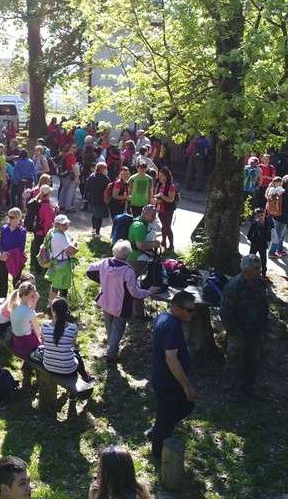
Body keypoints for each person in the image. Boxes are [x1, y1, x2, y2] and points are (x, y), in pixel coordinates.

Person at [87, 240, 160, 362]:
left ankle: (112, 348)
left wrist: (103, 281)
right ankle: (111, 354)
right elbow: (134, 293)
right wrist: (149, 292)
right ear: (128, 254)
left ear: (114, 251)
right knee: (118, 329)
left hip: (106, 301)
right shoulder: (128, 271)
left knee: (110, 327)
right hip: (121, 306)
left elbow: (89, 270)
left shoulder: (104, 263)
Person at [149, 291, 197, 460]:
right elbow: (171, 358)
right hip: (168, 382)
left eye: (193, 309)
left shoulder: (165, 317)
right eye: (189, 310)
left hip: (163, 378)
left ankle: (158, 429)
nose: (192, 313)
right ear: (176, 307)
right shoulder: (172, 327)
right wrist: (186, 386)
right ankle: (158, 455)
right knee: (167, 418)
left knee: (186, 405)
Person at [218, 255, 270, 394]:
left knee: (253, 359)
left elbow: (264, 306)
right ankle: (229, 388)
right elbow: (226, 313)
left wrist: (264, 327)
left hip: (255, 330)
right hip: (238, 330)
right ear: (246, 270)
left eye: (259, 267)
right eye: (256, 268)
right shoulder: (233, 287)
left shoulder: (261, 283)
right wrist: (235, 333)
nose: (259, 270)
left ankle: (248, 386)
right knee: (234, 361)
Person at [41, 298, 95, 382]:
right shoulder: (72, 328)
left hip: (48, 366)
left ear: (53, 311)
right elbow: (72, 346)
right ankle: (85, 377)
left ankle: (85, 377)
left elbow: (43, 343)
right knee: (76, 353)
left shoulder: (44, 325)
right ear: (66, 311)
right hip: (67, 369)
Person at [0, 208, 28, 299]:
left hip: (15, 259)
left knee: (16, 281)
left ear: (18, 218)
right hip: (3, 258)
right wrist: (2, 253)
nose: (10, 218)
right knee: (2, 280)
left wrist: (9, 254)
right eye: (9, 216)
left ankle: (16, 299)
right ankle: (2, 298)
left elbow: (21, 248)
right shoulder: (4, 228)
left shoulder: (22, 231)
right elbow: (0, 242)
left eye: (12, 217)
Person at [45, 214, 77, 300]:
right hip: (62, 265)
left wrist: (72, 245)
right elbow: (73, 251)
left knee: (58, 286)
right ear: (57, 224)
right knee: (59, 287)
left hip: (57, 263)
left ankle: (54, 304)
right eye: (63, 224)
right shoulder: (59, 236)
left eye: (67, 223)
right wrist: (74, 246)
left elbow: (72, 242)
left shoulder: (55, 232)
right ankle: (55, 305)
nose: (66, 226)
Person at [28, 185, 56, 273]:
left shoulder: (38, 203)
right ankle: (41, 268)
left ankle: (36, 267)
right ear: (47, 194)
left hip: (37, 231)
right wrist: (49, 233)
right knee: (43, 251)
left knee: (36, 249)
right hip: (43, 232)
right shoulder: (46, 207)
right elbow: (48, 222)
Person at [11, 281, 43, 358]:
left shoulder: (14, 306)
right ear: (24, 296)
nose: (34, 298)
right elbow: (38, 333)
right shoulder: (29, 311)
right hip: (26, 345)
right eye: (32, 296)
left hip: (17, 342)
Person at [153, 167, 178, 251]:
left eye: (161, 176)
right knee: (163, 226)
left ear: (166, 176)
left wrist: (161, 196)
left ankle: (171, 245)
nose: (159, 177)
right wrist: (155, 200)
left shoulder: (171, 186)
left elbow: (171, 199)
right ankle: (163, 242)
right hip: (160, 209)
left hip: (168, 210)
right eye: (159, 175)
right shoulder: (160, 185)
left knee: (167, 227)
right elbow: (158, 197)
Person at [85, 162, 111, 237]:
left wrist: (86, 197)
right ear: (102, 169)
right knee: (99, 216)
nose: (106, 170)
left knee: (94, 215)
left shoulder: (91, 176)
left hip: (92, 199)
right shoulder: (105, 178)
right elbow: (108, 189)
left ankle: (93, 229)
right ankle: (97, 232)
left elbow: (87, 187)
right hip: (101, 200)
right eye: (105, 168)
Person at [246, 208, 274, 278]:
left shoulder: (268, 223)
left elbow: (270, 234)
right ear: (255, 217)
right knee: (251, 258)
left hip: (263, 245)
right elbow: (249, 235)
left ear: (264, 215)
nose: (261, 217)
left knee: (263, 259)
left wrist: (265, 229)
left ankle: (263, 273)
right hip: (254, 245)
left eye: (262, 215)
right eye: (258, 216)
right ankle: (249, 272)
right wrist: (253, 240)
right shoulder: (254, 223)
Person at [56, 145, 79, 212]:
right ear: (70, 149)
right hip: (69, 175)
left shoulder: (63, 155)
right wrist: (77, 178)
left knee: (64, 189)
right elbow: (74, 168)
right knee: (70, 191)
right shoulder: (71, 156)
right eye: (74, 147)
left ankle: (61, 205)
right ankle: (68, 207)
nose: (76, 149)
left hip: (63, 175)